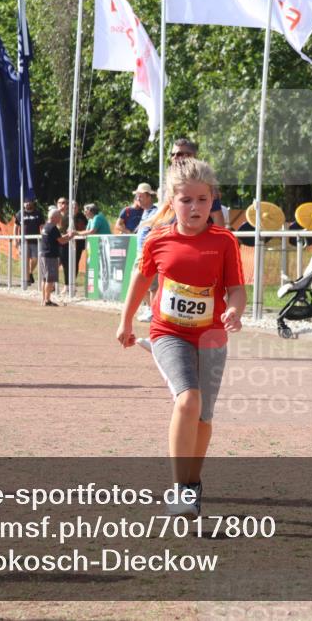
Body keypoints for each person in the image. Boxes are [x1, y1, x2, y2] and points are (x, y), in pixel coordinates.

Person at [116, 158, 245, 519]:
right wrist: (125, 321)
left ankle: (192, 484)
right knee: (188, 400)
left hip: (212, 338)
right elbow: (141, 280)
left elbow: (236, 289)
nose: (195, 207)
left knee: (203, 417)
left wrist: (235, 311)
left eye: (202, 199)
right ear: (172, 201)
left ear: (212, 200)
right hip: (169, 332)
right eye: (186, 200)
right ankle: (179, 489)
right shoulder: (158, 239)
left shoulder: (224, 241)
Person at [171, 138, 226, 227]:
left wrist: (220, 235)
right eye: (172, 154)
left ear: (192, 155)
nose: (175, 157)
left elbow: (216, 215)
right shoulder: (170, 181)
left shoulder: (204, 182)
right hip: (172, 233)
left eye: (179, 154)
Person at [39, 207, 67, 306]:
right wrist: (71, 236)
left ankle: (44, 299)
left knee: (44, 278)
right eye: (59, 217)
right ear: (55, 217)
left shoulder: (46, 226)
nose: (60, 219)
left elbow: (58, 238)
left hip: (44, 254)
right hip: (50, 256)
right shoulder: (53, 228)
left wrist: (67, 236)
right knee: (50, 279)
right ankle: (47, 300)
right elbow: (61, 241)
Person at [20, 199, 44, 285]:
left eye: (29, 202)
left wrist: (43, 238)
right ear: (23, 204)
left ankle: (30, 272)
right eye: (26, 202)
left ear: (32, 203)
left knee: (35, 259)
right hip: (24, 241)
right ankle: (27, 280)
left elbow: (42, 226)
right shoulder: (20, 213)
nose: (27, 203)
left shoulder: (38, 213)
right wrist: (16, 240)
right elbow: (16, 226)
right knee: (25, 260)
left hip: (35, 240)